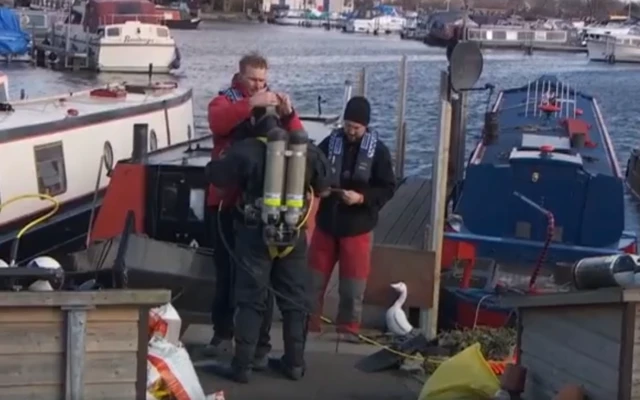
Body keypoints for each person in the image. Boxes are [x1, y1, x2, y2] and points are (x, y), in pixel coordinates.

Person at [204, 107, 332, 383]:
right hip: (293, 234)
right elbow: (324, 186)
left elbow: (216, 177)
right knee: (294, 299)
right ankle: (295, 363)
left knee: (251, 299)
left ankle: (243, 366)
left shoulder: (246, 149)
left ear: (253, 121)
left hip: (255, 234)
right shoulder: (306, 151)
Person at [205, 52, 304, 356]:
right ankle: (222, 333)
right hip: (225, 201)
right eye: (253, 79)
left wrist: (287, 114)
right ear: (240, 76)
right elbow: (218, 123)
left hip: (259, 203)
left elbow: (298, 140)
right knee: (225, 273)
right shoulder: (225, 101)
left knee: (261, 279)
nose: (258, 85)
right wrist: (250, 104)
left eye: (262, 80)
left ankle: (258, 343)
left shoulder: (270, 105)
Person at [308, 96, 396, 340]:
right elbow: (313, 169)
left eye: (356, 128)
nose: (350, 131)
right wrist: (320, 187)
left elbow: (388, 187)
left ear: (365, 126)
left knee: (352, 287)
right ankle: (307, 325)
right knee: (312, 281)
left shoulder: (378, 151)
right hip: (327, 223)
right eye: (347, 126)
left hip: (358, 226)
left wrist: (361, 198)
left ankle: (347, 332)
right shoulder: (330, 143)